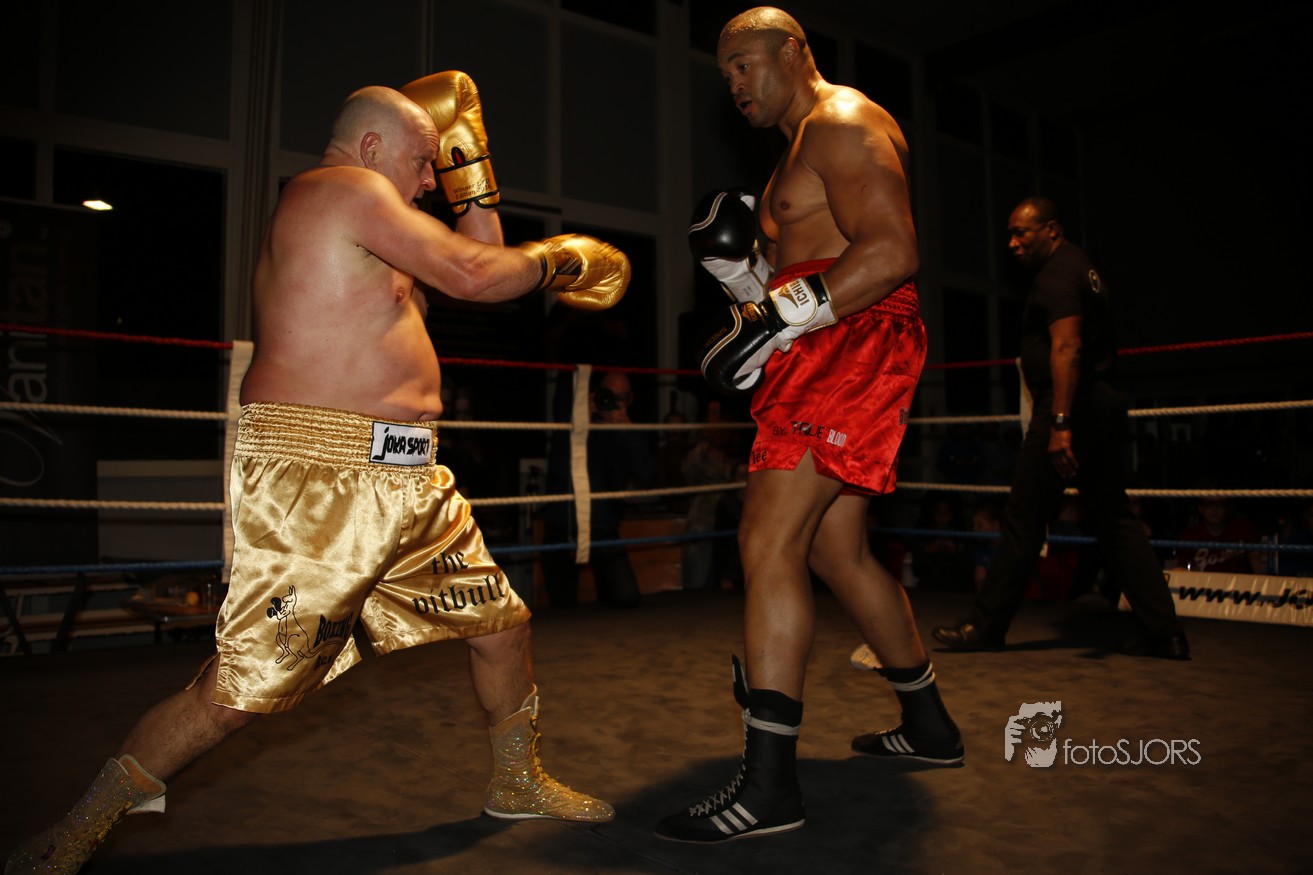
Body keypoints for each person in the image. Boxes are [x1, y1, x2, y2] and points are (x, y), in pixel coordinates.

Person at [6, 77, 627, 874]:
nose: (429, 180)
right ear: (369, 147)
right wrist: (559, 257)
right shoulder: (340, 190)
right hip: (322, 475)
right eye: (423, 162)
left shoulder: (378, 219)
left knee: (500, 626)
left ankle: (516, 779)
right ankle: (75, 831)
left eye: (438, 167)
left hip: (410, 477)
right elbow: (480, 276)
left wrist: (471, 166)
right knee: (238, 692)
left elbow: (480, 264)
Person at [656, 8, 962, 844]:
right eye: (724, 72)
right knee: (834, 549)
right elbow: (795, 279)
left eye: (744, 64)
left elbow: (891, 250)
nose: (734, 83)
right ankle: (928, 723)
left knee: (765, 539)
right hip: (823, 340)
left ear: (793, 51)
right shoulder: (789, 157)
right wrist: (741, 279)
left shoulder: (842, 120)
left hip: (852, 340)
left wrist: (776, 312)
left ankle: (768, 787)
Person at [933, 196, 1190, 660]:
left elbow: (1068, 347)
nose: (1012, 244)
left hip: (1070, 407)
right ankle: (1165, 632)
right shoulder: (1082, 268)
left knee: (1024, 517)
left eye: (1021, 233)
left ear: (1051, 229)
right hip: (1099, 403)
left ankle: (986, 625)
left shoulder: (1057, 274)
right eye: (1010, 235)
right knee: (1114, 519)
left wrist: (1060, 423)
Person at [542, 369, 652, 608]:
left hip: (603, 528)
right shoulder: (571, 422)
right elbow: (558, 467)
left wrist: (627, 428)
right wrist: (582, 421)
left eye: (621, 398)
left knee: (626, 598)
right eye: (608, 395)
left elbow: (646, 475)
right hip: (563, 525)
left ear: (630, 400)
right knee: (561, 610)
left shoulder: (623, 431)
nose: (612, 402)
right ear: (595, 394)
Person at [1173, 490, 1265, 574]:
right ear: (1200, 508)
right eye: (1209, 503)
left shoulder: (1244, 529)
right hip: (1203, 586)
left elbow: (1258, 568)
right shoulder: (1190, 536)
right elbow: (1181, 570)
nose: (1214, 509)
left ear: (1228, 507)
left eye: (1220, 504)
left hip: (1239, 585)